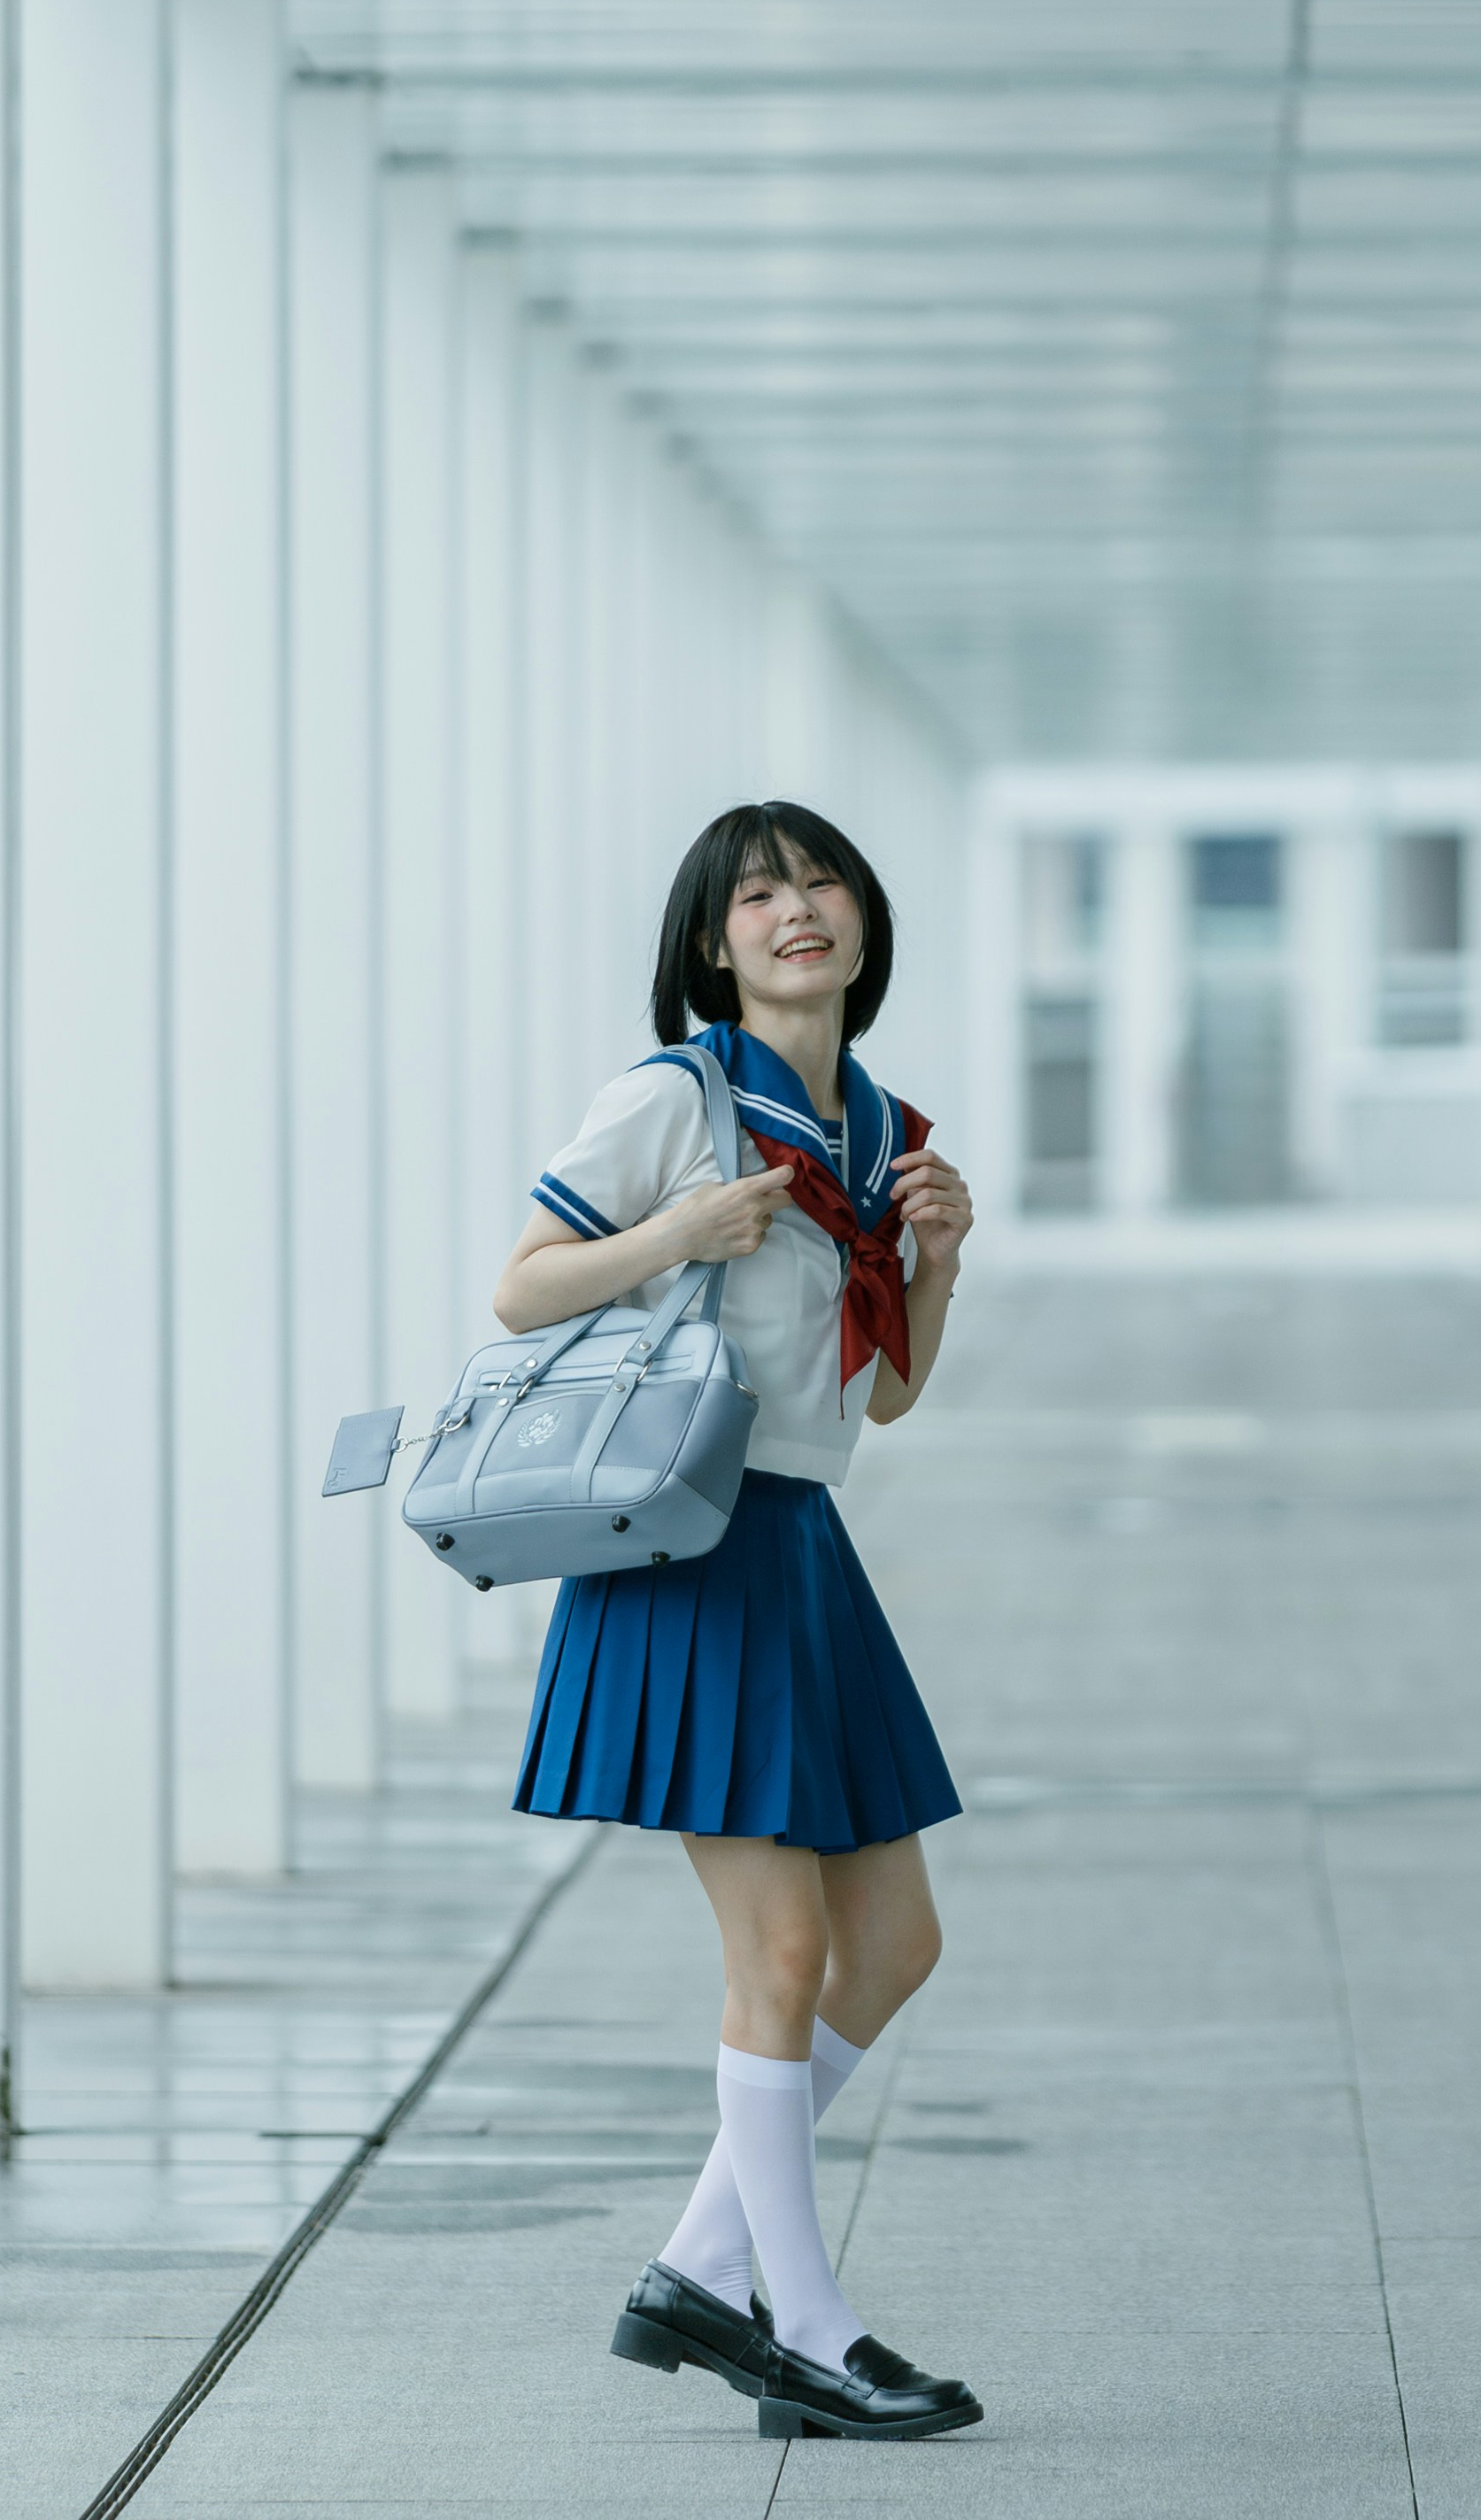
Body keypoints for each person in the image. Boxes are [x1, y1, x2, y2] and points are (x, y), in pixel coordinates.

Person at [493, 800, 983, 2442]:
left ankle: (703, 2270)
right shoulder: (675, 1098)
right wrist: (676, 1232)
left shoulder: (879, 1127)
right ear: (713, 944)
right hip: (691, 1542)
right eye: (757, 894)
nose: (796, 911)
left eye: (819, 881)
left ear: (863, 918)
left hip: (801, 1544)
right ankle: (807, 2333)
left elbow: (884, 1400)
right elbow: (520, 1286)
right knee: (778, 1954)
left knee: (893, 1946)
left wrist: (935, 1260)